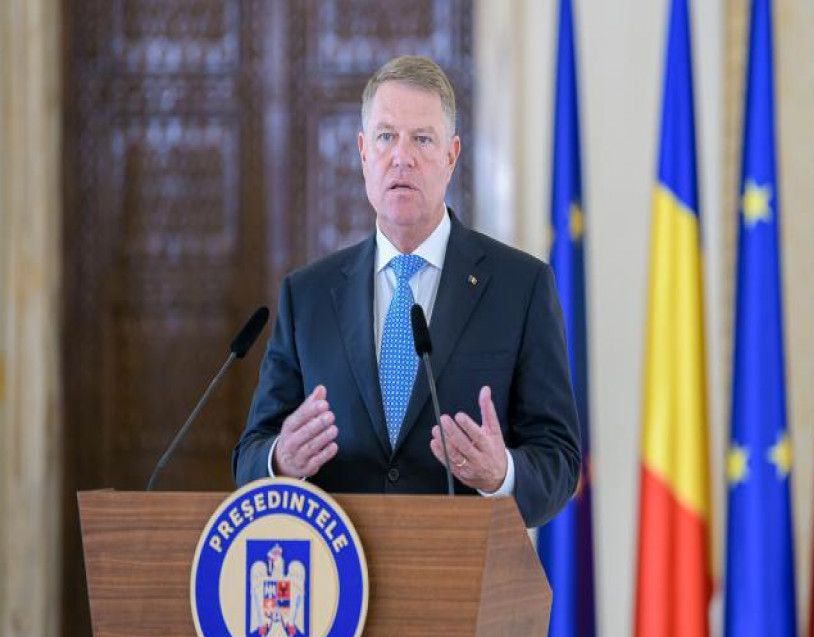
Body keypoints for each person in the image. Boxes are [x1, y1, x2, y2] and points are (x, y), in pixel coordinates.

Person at [232, 55, 580, 530]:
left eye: (422, 139)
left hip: (460, 565)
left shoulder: (520, 287)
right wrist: (280, 460)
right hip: (339, 569)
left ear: (451, 156)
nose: (402, 156)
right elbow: (251, 456)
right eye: (385, 137)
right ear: (363, 152)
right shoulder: (307, 296)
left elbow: (560, 460)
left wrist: (503, 474)